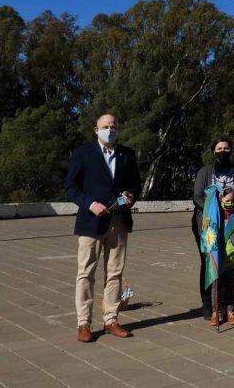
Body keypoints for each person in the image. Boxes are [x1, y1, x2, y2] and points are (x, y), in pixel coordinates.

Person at [65, 113, 140, 342]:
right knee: (86, 273)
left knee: (115, 273)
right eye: (106, 126)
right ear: (96, 130)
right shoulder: (82, 153)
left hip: (118, 222)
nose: (110, 130)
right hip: (91, 222)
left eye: (114, 126)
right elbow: (71, 187)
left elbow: (135, 184)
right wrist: (90, 204)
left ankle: (111, 320)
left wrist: (130, 196)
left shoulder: (127, 154)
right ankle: (83, 324)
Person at [192, 136, 234, 321]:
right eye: (219, 148)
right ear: (213, 150)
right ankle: (209, 305)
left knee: (228, 267)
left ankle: (226, 305)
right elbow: (197, 197)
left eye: (226, 148)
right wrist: (213, 211)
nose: (223, 151)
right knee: (209, 263)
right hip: (209, 224)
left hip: (231, 222)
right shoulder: (205, 171)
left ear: (231, 150)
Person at [209, 187, 234, 325]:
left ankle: (230, 310)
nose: (230, 203)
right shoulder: (215, 213)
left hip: (232, 256)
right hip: (218, 255)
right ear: (221, 199)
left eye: (233, 200)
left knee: (229, 284)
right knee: (216, 285)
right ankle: (216, 312)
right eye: (227, 200)